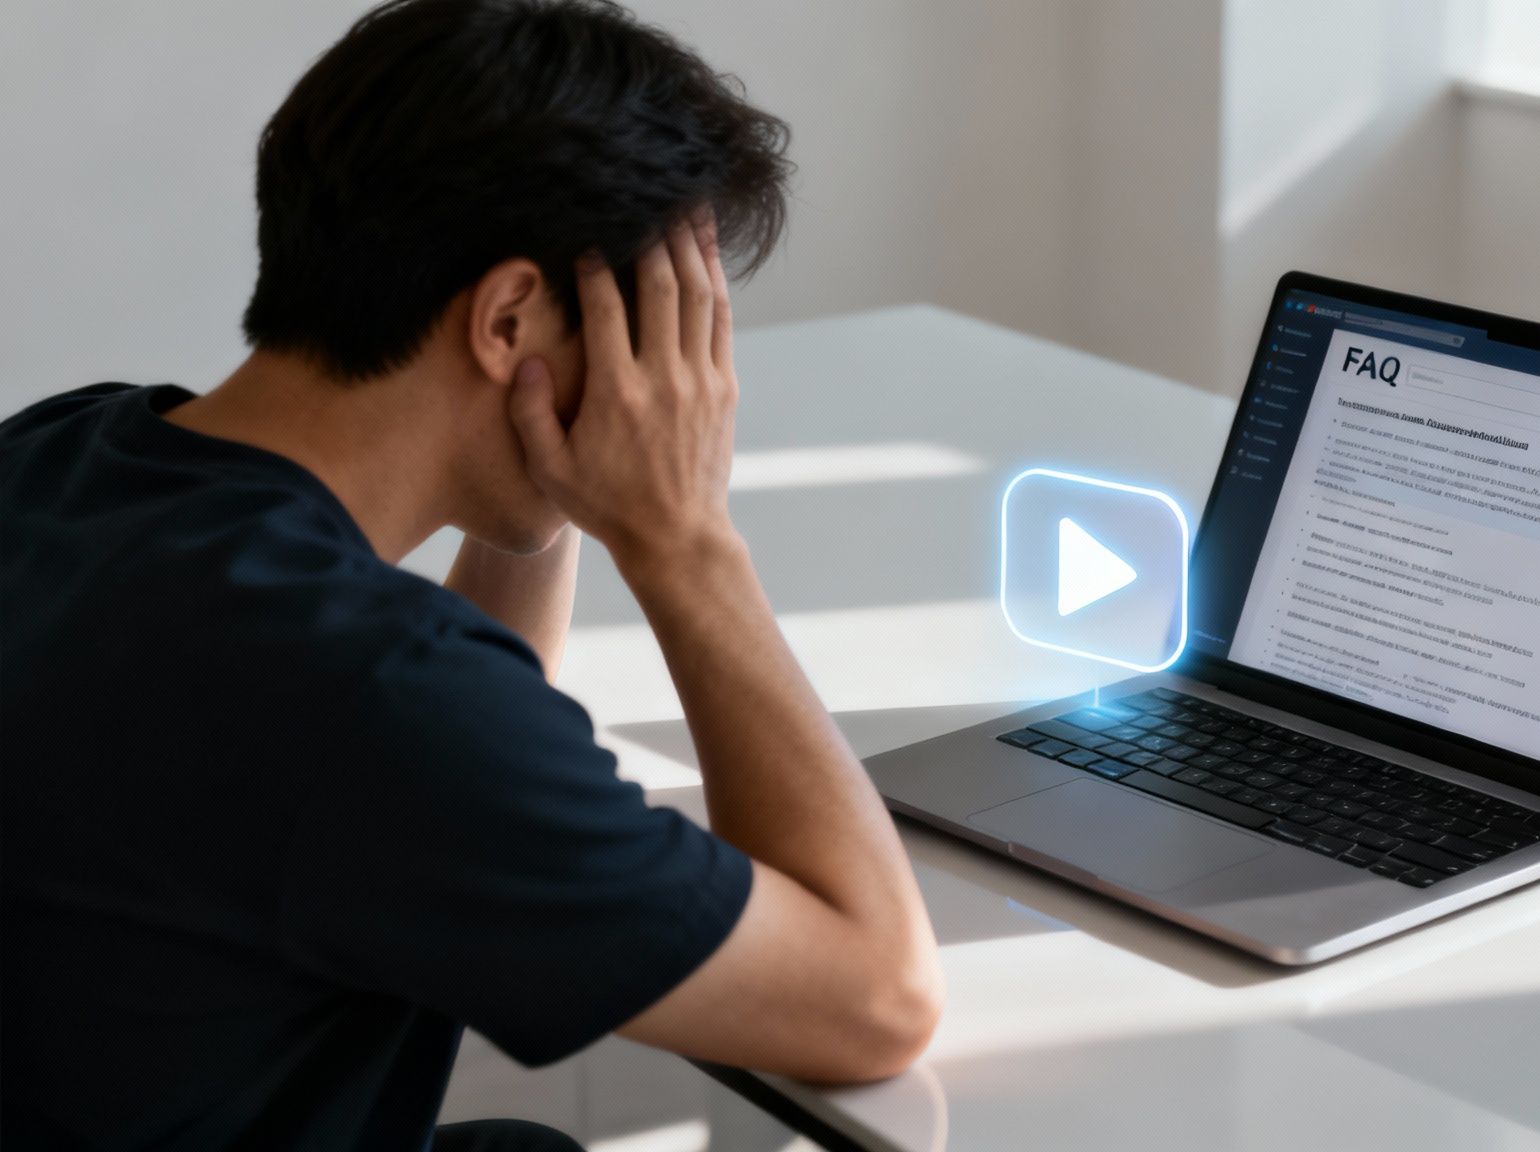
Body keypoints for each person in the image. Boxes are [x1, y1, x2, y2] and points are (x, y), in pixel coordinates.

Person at [0, 1, 942, 1148]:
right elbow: (874, 1001)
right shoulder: (367, 690)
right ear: (507, 317)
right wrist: (685, 539)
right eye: (653, 328)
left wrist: (548, 499)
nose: (674, 380)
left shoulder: (60, 451)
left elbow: (465, 748)